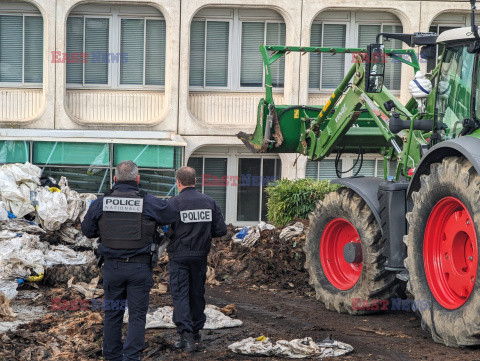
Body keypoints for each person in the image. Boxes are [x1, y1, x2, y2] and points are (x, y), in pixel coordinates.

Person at [81, 160, 178, 361]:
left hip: (112, 268)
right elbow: (171, 214)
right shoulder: (148, 201)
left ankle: (112, 356)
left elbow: (88, 231)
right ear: (138, 179)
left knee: (113, 313)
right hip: (139, 268)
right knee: (137, 315)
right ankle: (132, 357)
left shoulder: (101, 202)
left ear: (114, 179)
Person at [167, 166, 227, 352]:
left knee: (180, 294)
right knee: (196, 292)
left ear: (178, 182)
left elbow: (166, 231)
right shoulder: (209, 202)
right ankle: (195, 331)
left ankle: (186, 336)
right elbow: (221, 230)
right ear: (195, 181)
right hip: (200, 256)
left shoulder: (173, 203)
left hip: (179, 256)